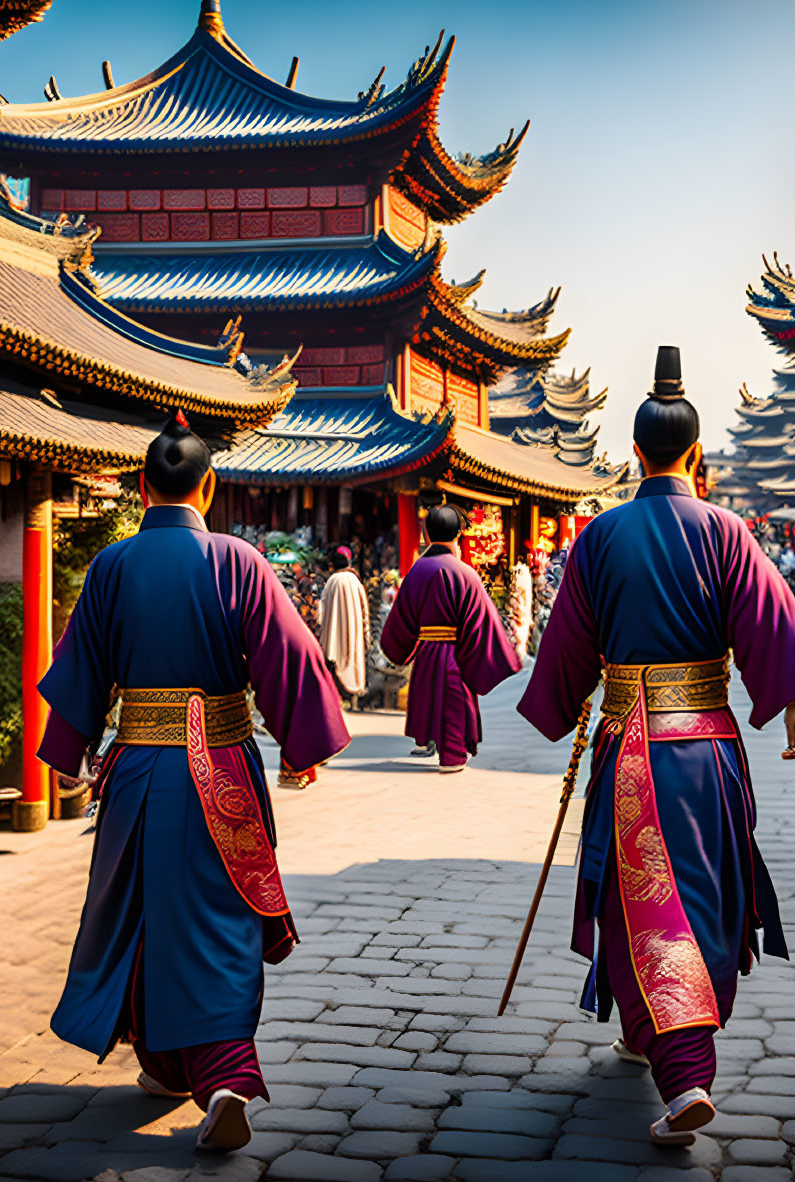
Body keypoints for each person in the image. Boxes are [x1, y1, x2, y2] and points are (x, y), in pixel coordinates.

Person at [519, 347, 795, 1145]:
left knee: (643, 899)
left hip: (629, 746)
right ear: (695, 454)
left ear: (635, 453)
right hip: (708, 748)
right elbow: (767, 627)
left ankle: (684, 1069)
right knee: (700, 897)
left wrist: (556, 706)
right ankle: (655, 1035)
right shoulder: (728, 531)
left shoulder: (598, 536)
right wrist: (791, 703)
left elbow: (567, 650)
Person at [36, 412, 350, 1152]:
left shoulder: (111, 566)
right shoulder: (238, 562)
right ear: (208, 487)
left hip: (139, 770)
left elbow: (80, 667)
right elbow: (290, 657)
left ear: (141, 487)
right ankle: (221, 1074)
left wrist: (67, 751)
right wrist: (301, 747)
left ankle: (175, 1065)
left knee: (144, 915)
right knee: (219, 918)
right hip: (226, 772)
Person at [380, 505, 522, 772]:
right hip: (456, 653)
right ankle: (453, 755)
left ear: (427, 532)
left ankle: (429, 744)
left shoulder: (416, 571)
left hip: (426, 652)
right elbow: (482, 619)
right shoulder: (466, 573)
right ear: (458, 533)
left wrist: (401, 649)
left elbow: (402, 617)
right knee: (453, 703)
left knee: (429, 698)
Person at [318, 545, 369, 708]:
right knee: (353, 661)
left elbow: (322, 611)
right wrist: (366, 633)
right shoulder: (356, 581)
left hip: (334, 633)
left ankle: (337, 699)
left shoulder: (332, 581)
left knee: (335, 661)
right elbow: (364, 610)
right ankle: (353, 699)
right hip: (354, 632)